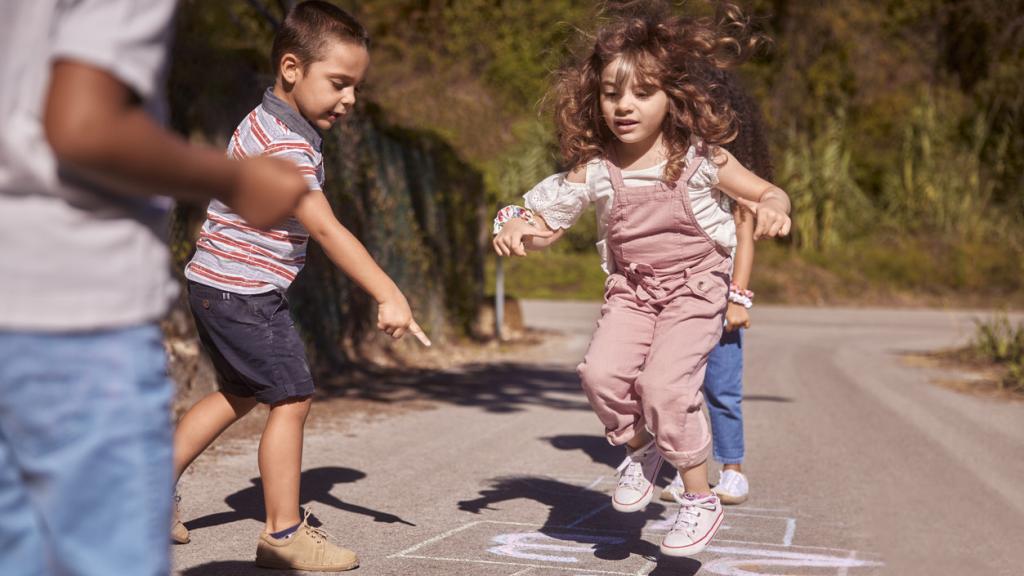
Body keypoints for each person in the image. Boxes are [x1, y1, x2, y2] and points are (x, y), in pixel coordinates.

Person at [0, 1, 308, 575]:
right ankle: (284, 530)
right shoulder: (279, 137)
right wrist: (235, 179)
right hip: (73, 307)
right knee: (290, 393)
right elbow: (83, 124)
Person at [492, 0, 790, 557]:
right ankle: (642, 448)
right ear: (595, 97)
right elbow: (545, 223)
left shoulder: (703, 159)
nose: (623, 106)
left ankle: (700, 498)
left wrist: (776, 208)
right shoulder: (596, 167)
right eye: (611, 93)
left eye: (641, 92)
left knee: (664, 388)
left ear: (671, 96)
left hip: (696, 290)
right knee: (600, 375)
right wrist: (514, 228)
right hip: (632, 291)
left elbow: (767, 192)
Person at [171, 2, 430, 571]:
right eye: (339, 83)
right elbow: (326, 229)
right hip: (244, 292)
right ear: (292, 68)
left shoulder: (268, 121)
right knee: (292, 396)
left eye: (355, 86)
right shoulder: (286, 147)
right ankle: (283, 533)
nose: (350, 100)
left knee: (239, 393)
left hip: (215, 283)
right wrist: (387, 291)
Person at [660, 68, 775, 506]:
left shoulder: (731, 183)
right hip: (679, 298)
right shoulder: (675, 172)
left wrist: (738, 297)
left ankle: (732, 469)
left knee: (721, 389)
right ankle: (690, 469)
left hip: (722, 300)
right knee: (680, 388)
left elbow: (744, 242)